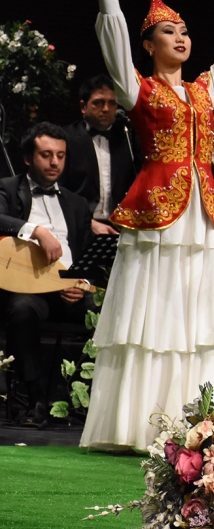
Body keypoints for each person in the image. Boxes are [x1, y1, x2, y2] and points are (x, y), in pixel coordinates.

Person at [77, 0, 214, 450]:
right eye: (167, 32)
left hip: (199, 215)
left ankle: (184, 426)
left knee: (191, 312)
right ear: (148, 45)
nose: (180, 38)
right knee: (150, 311)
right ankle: (135, 425)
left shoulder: (203, 91)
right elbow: (113, 42)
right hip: (157, 214)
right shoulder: (139, 89)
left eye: (184, 31)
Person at [0, 122, 92, 426]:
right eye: (46, 155)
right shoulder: (9, 188)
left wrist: (83, 282)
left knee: (113, 313)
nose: (54, 163)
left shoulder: (77, 203)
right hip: (28, 285)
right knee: (22, 310)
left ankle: (95, 405)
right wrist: (35, 230)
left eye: (61, 156)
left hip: (68, 288)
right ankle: (35, 398)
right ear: (28, 158)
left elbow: (89, 256)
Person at [60, 74, 140, 236]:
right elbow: (60, 190)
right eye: (98, 103)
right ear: (83, 107)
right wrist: (87, 222)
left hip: (121, 227)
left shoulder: (127, 137)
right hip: (80, 227)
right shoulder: (66, 138)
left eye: (112, 103)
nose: (106, 109)